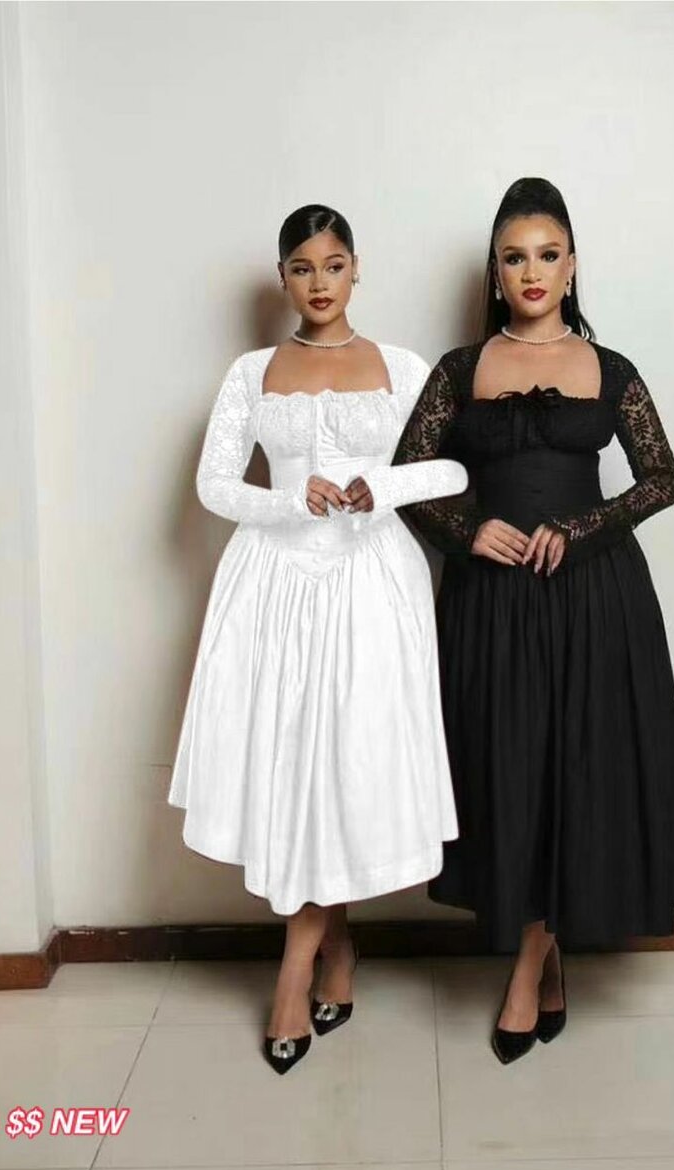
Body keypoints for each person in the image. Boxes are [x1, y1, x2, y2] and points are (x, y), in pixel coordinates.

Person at [391, 178, 674, 1064]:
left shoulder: (612, 370)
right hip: (492, 601)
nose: (532, 271)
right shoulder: (459, 369)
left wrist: (583, 526)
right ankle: (545, 954)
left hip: (594, 599)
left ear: (572, 265)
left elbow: (662, 478)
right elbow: (408, 479)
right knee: (512, 773)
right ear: (495, 272)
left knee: (578, 772)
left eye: (548, 254)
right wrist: (467, 530)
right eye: (514, 257)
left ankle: (527, 968)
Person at [168, 204, 466, 1074]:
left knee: (346, 761)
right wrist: (287, 499)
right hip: (274, 581)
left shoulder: (404, 367)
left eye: (334, 264)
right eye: (302, 267)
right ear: (283, 279)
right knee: (294, 764)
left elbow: (456, 468)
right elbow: (214, 484)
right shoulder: (251, 372)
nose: (320, 282)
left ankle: (295, 968)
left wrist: (383, 485)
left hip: (373, 582)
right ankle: (334, 950)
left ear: (356, 268)